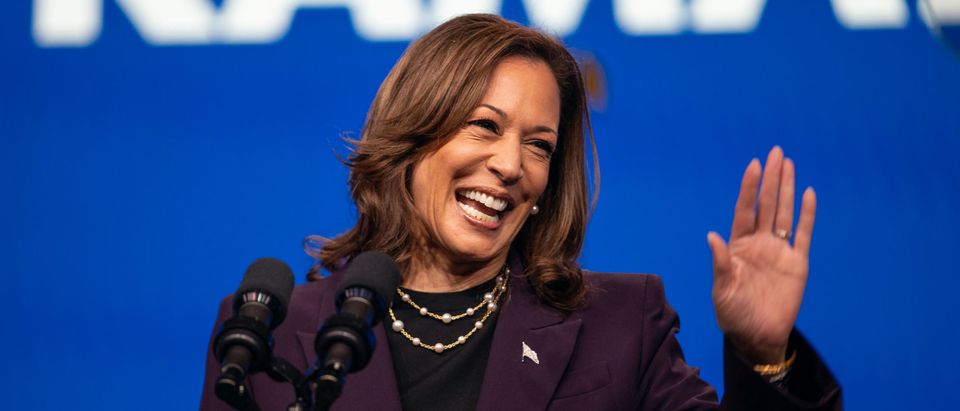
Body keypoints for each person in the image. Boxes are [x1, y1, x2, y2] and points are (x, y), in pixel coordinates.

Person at [201, 13, 841, 411]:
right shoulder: (269, 337)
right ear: (413, 137)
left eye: (539, 146)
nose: (512, 165)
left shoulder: (620, 326)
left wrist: (764, 355)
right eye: (484, 126)